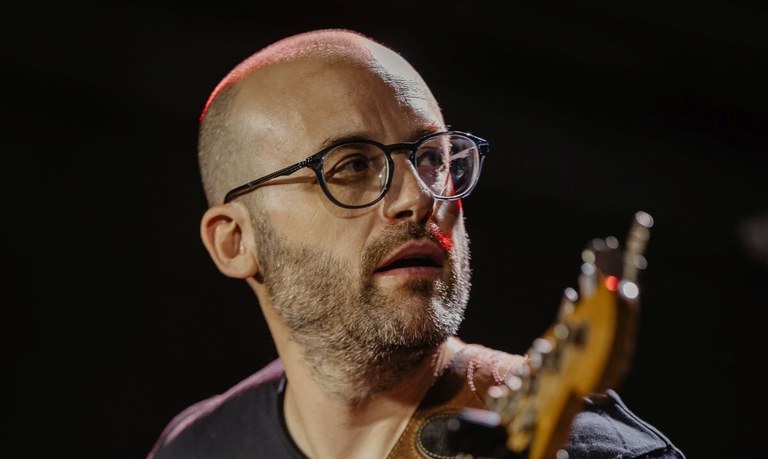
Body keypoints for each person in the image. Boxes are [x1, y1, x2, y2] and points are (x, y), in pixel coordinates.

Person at [147, 28, 685, 459]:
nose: (420, 197)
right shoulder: (196, 446)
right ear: (234, 241)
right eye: (352, 166)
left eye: (432, 158)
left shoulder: (598, 450)